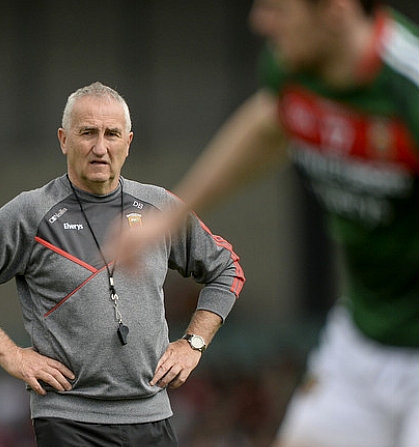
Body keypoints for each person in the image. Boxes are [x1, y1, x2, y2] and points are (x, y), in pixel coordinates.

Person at [114, 1, 419, 446]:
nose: (261, 21)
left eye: (278, 8)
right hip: (365, 334)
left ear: (336, 10)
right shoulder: (298, 66)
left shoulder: (407, 90)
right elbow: (270, 122)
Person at [0, 82, 245, 447]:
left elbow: (228, 268)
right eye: (88, 133)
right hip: (69, 420)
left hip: (153, 416)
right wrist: (10, 354)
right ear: (63, 139)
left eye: (112, 134)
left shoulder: (160, 209)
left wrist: (194, 342)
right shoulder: (31, 213)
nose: (100, 147)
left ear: (128, 142)